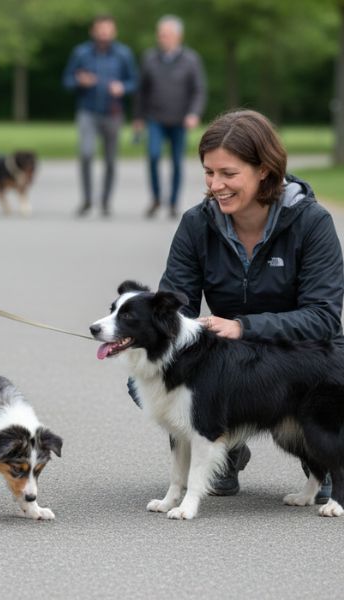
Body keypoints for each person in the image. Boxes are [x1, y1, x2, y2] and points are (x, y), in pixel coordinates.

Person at [130, 109, 342, 500]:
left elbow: (325, 317)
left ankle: (323, 451)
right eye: (209, 173)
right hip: (231, 356)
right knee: (151, 374)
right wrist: (137, 333)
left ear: (264, 169)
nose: (216, 185)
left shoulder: (312, 223)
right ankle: (221, 450)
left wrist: (245, 326)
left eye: (228, 174)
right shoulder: (197, 224)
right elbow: (174, 307)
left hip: (303, 353)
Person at [63, 15, 138, 218]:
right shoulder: (81, 53)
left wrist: (123, 87)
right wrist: (80, 81)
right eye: (100, 29)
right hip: (87, 111)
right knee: (86, 154)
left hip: (113, 113)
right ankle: (87, 200)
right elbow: (67, 80)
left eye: (108, 29)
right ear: (93, 31)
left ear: (114, 32)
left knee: (111, 160)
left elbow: (134, 82)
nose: (104, 33)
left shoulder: (123, 54)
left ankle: (105, 201)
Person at [133, 15, 206, 219]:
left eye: (166, 35)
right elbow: (142, 91)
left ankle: (173, 202)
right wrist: (138, 118)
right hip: (154, 118)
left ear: (178, 36)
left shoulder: (191, 59)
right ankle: (156, 198)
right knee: (154, 156)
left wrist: (193, 113)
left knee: (176, 161)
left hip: (180, 119)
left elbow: (198, 90)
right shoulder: (149, 58)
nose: (161, 38)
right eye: (160, 35)